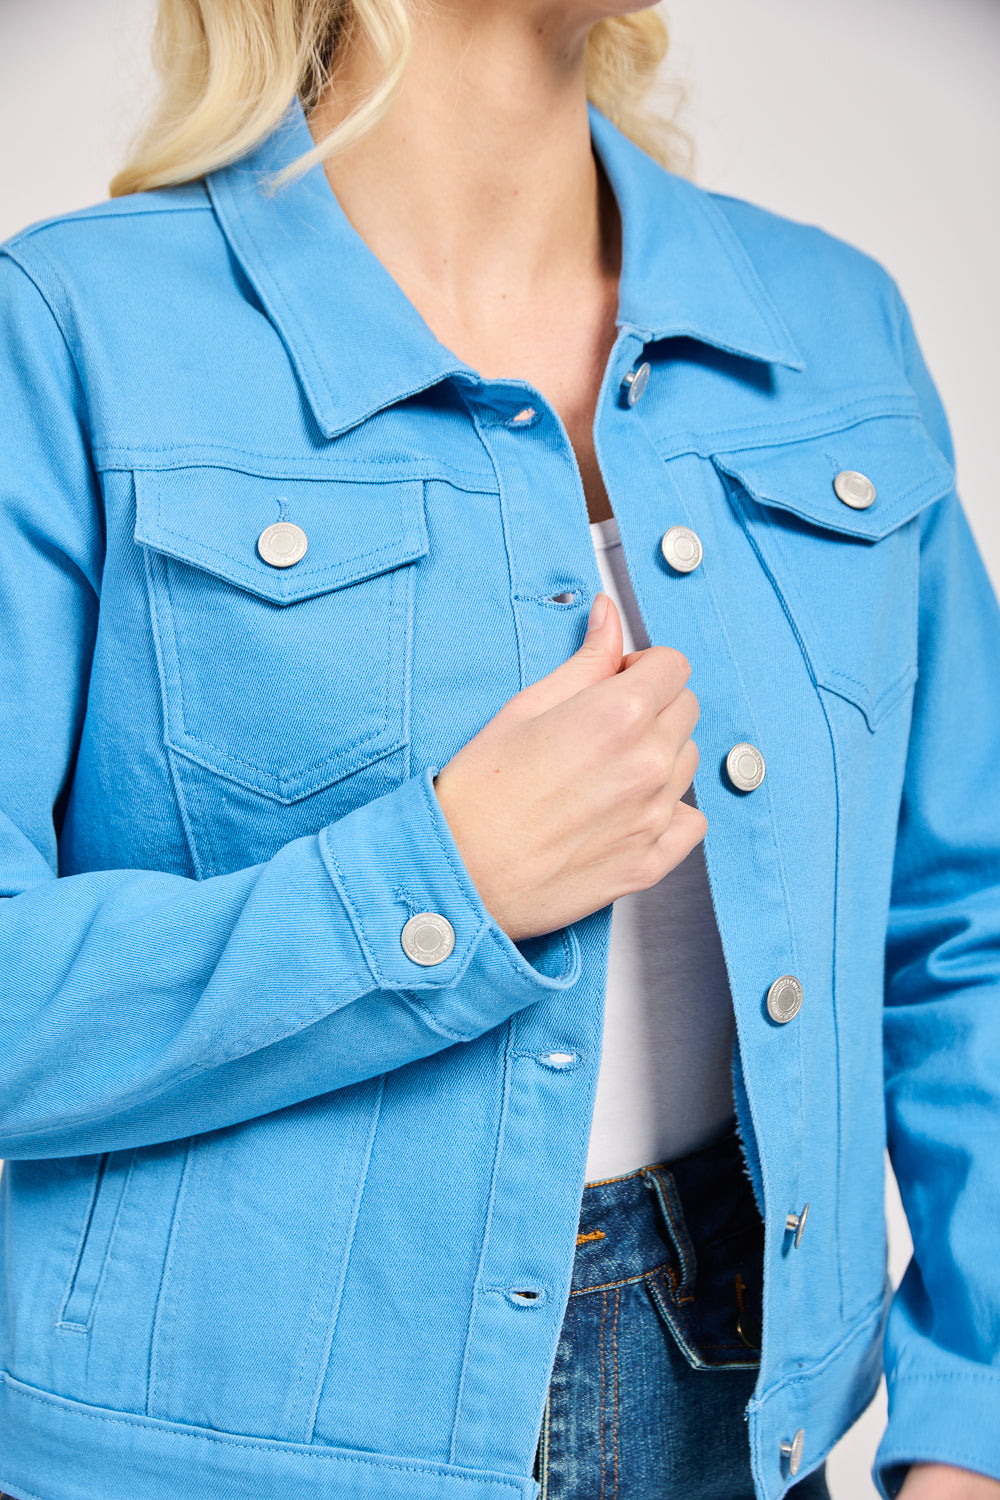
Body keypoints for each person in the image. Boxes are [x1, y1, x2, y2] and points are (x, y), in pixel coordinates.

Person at [0, 0, 998, 1497]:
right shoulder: (75, 333)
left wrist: (970, 1423)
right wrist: (438, 883)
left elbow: (967, 925)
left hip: (733, 1421)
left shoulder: (833, 322)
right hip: (216, 1446)